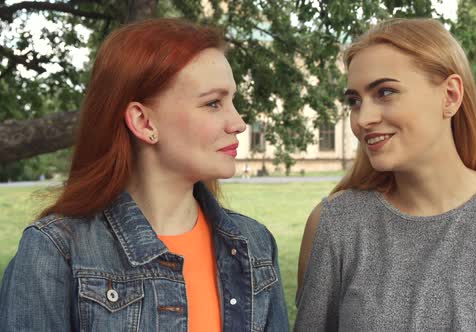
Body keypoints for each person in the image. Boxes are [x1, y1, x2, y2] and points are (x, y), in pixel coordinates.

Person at [0, 18, 288, 332]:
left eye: (233, 101)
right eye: (213, 103)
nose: (239, 123)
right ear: (144, 122)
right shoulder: (56, 252)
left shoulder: (254, 244)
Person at [295, 18, 476, 331]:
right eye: (354, 101)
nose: (363, 118)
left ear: (451, 96)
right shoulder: (335, 224)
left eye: (385, 92)